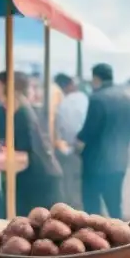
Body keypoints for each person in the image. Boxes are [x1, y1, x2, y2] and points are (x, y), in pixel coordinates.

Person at [0, 71, 62, 216]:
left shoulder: (23, 114)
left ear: (7, 87)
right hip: (31, 181)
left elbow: (24, 157)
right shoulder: (7, 111)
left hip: (39, 183)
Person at [78, 64, 130, 218]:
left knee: (92, 206)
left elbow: (89, 132)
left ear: (96, 78)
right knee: (115, 205)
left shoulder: (97, 98)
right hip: (120, 160)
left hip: (97, 162)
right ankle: (122, 238)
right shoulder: (128, 99)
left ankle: (96, 239)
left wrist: (78, 139)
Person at [54, 73, 88, 208]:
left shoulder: (63, 102)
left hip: (68, 147)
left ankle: (72, 207)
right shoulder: (83, 98)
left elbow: (62, 126)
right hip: (84, 145)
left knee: (69, 181)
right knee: (80, 180)